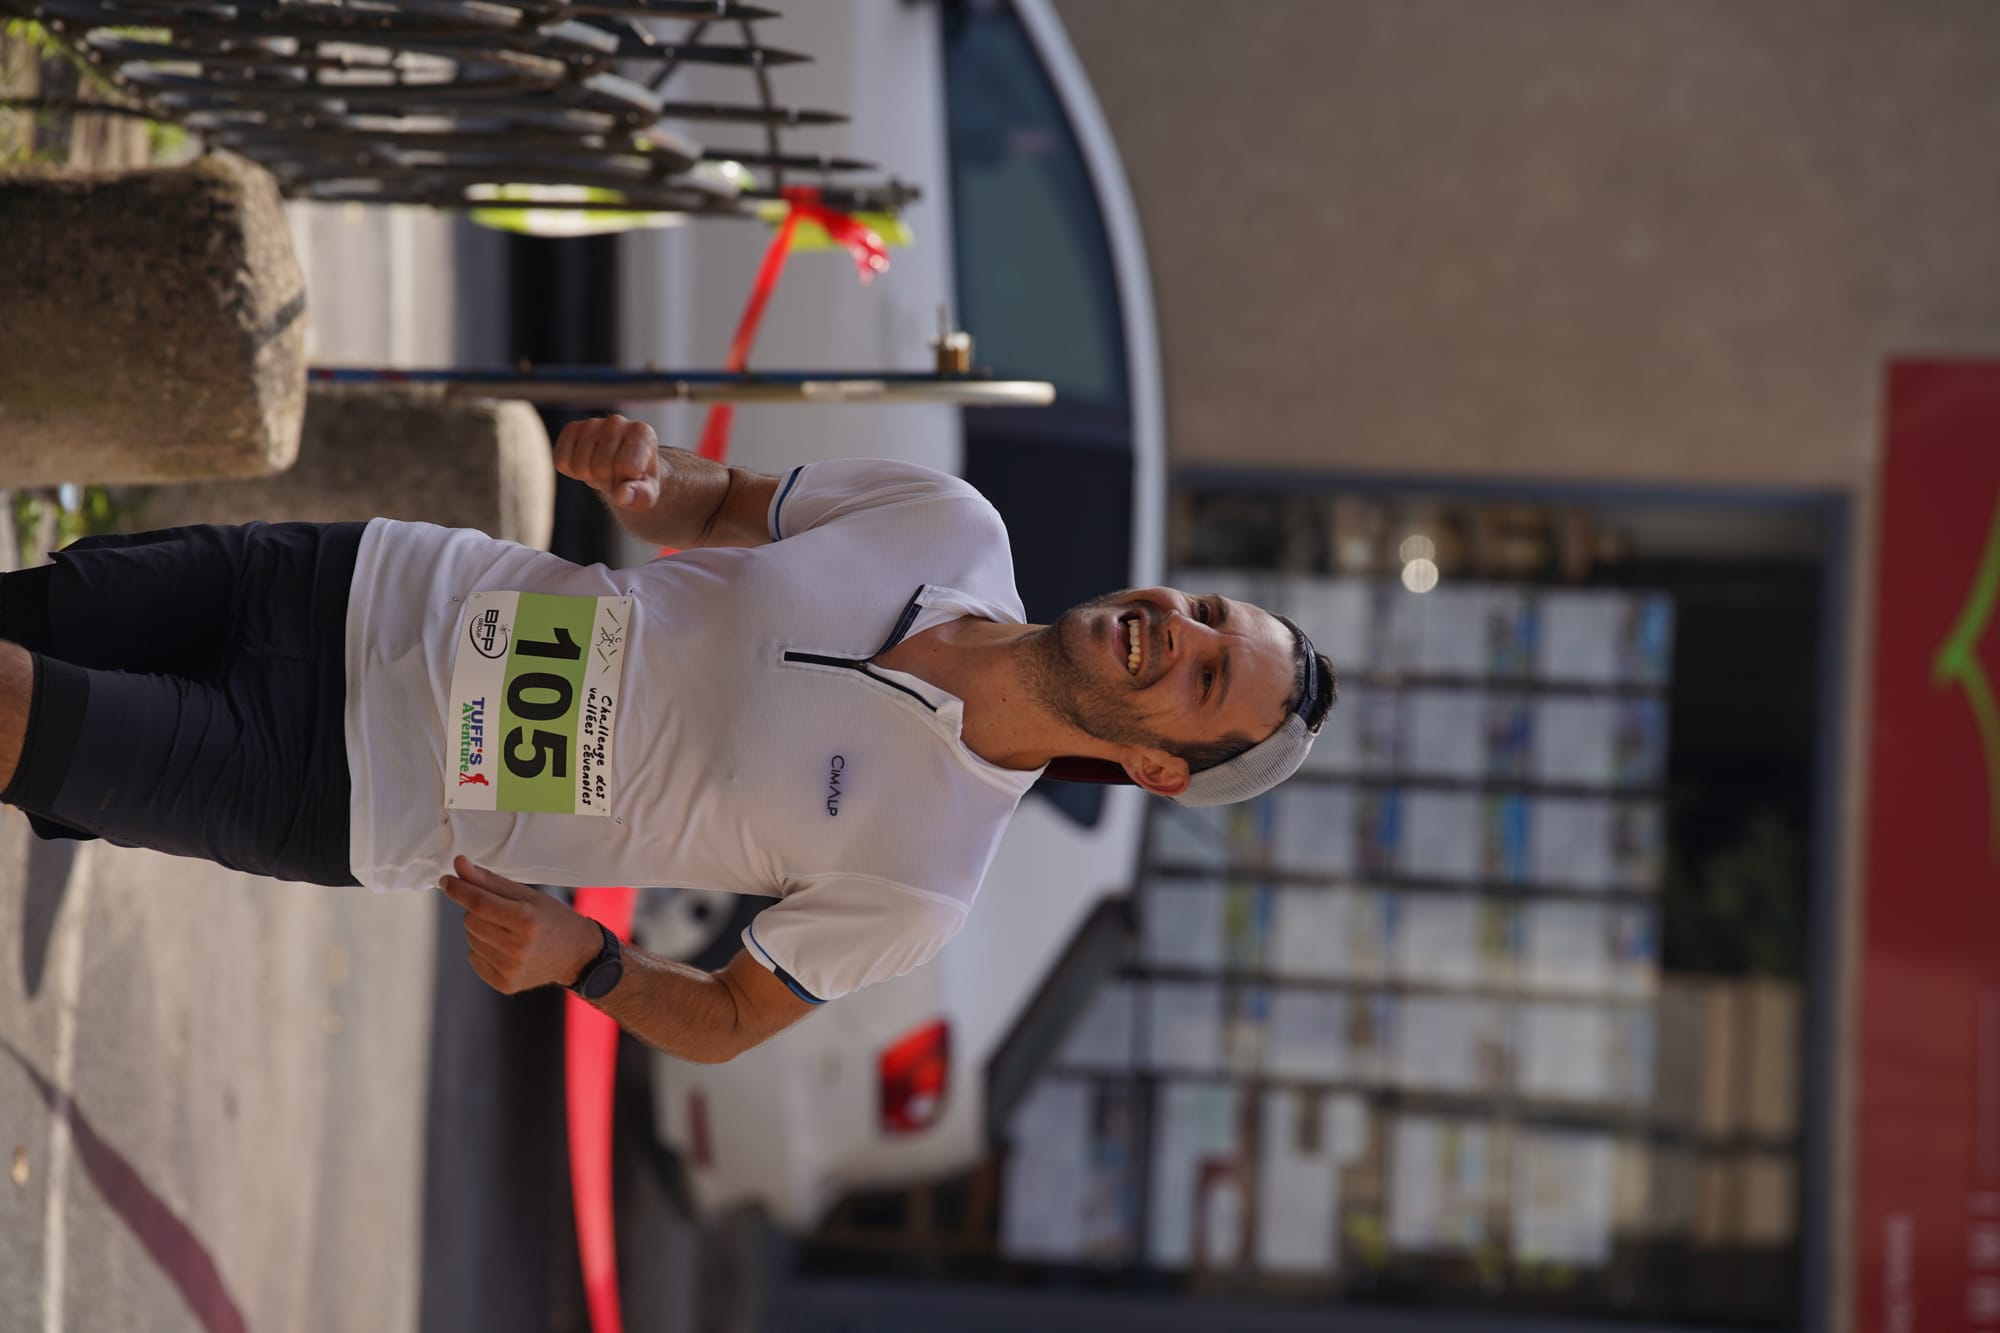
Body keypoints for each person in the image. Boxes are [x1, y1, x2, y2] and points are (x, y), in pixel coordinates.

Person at [0, 416, 1335, 1062]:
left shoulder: (926, 877)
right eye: (1207, 609)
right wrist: (650, 480)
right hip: (365, 582)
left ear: (1161, 766)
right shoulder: (950, 522)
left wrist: (585, 957)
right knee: (29, 618)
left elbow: (727, 1018)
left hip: (351, 787)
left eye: (1206, 673)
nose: (1177, 625)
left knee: (16, 710)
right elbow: (722, 507)